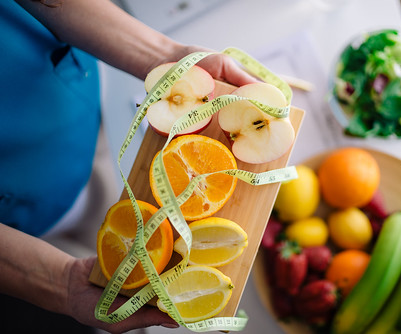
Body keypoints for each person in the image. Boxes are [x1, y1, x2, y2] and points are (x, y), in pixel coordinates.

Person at [0, 0, 255, 332]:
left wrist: (165, 56)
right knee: (118, 260)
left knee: (124, 224)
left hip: (73, 93)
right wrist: (61, 284)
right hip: (24, 218)